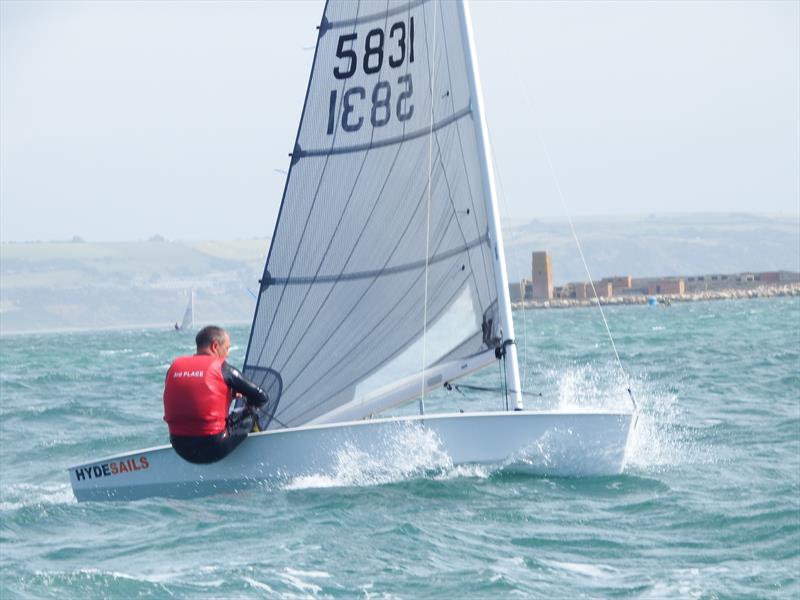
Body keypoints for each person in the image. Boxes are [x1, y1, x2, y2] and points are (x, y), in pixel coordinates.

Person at [163, 325, 269, 464]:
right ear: (215, 346)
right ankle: (257, 456)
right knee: (250, 412)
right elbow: (261, 397)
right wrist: (244, 399)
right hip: (214, 447)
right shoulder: (222, 368)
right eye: (227, 348)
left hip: (179, 446)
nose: (228, 354)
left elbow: (193, 396)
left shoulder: (174, 367)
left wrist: (228, 393)